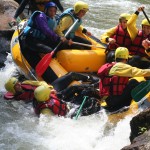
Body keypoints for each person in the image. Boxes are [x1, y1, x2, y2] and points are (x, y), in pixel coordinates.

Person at [20, 2, 68, 83]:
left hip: (39, 39)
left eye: (54, 11)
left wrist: (63, 38)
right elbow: (46, 30)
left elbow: (55, 30)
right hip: (30, 39)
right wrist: (58, 38)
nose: (52, 13)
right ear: (46, 10)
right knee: (49, 49)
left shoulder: (52, 18)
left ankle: (57, 62)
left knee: (59, 45)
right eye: (50, 11)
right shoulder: (40, 16)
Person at [97, 47, 150, 112]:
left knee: (131, 82)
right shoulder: (122, 66)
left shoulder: (108, 66)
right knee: (134, 82)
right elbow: (142, 72)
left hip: (108, 100)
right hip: (116, 101)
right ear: (126, 58)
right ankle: (143, 105)